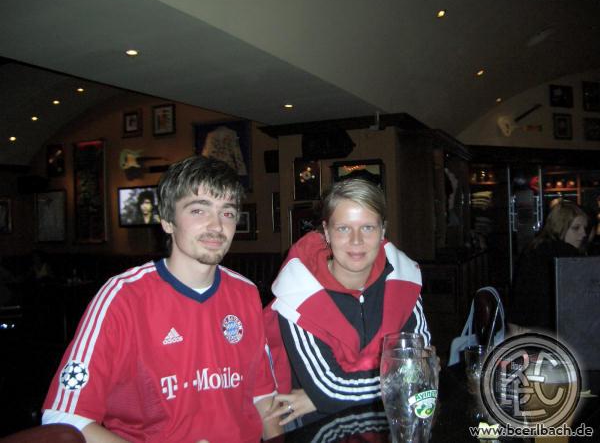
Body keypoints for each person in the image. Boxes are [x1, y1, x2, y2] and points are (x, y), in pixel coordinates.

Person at [42, 156, 279, 442]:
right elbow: (63, 417)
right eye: (198, 210)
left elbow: (263, 397)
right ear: (167, 221)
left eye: (227, 212)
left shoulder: (246, 292)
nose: (217, 226)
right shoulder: (122, 297)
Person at [263, 178, 430, 427]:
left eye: (367, 228)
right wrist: (324, 397)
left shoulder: (404, 280)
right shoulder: (297, 292)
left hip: (391, 420)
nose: (356, 241)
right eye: (343, 228)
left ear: (383, 231)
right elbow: (329, 390)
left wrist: (321, 397)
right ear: (326, 232)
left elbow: (422, 369)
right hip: (319, 426)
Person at [510, 200, 589, 333]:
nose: (583, 233)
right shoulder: (567, 254)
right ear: (559, 227)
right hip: (552, 331)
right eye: (576, 228)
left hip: (525, 329)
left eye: (584, 228)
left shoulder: (533, 247)